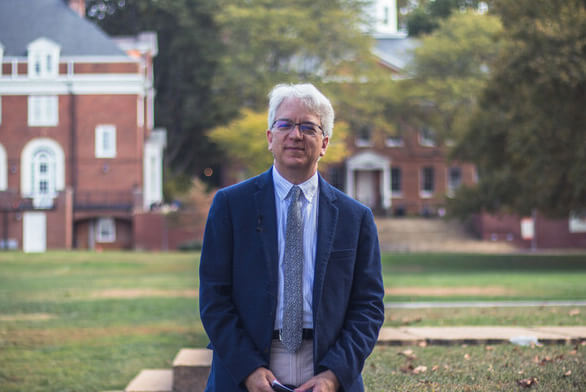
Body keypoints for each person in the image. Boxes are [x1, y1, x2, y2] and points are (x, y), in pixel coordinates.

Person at [199, 83, 385, 392]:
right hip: (245, 370)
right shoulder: (231, 206)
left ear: (324, 143)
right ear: (270, 137)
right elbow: (214, 298)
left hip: (327, 367)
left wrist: (334, 375)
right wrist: (248, 368)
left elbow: (368, 306)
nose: (295, 135)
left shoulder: (356, 217)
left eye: (308, 127)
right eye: (285, 125)